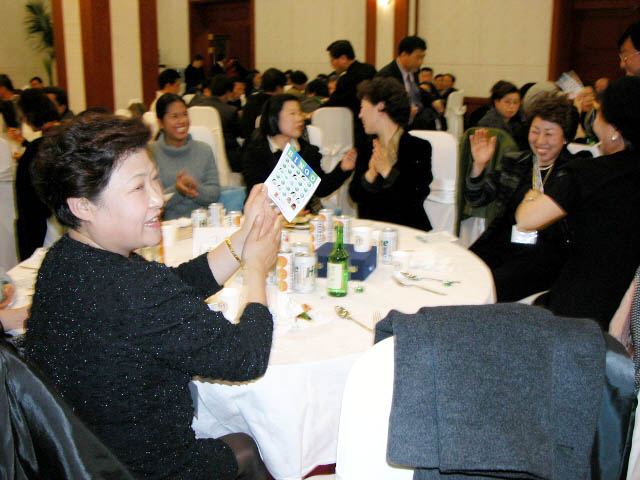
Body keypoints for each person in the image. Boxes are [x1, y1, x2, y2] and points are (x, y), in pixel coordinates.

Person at [25, 112, 281, 479]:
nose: (158, 198)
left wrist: (244, 239)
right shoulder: (133, 288)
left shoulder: (63, 259)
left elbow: (174, 289)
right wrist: (256, 269)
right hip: (141, 467)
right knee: (249, 447)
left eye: (155, 180)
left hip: (82, 455)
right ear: (83, 205)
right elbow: (245, 358)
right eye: (137, 188)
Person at [516, 76, 640, 330]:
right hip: (625, 309)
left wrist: (531, 195)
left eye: (599, 114)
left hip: (579, 309)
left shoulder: (588, 173)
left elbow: (527, 219)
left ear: (614, 130)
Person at [466, 92, 580, 302]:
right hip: (503, 240)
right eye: (535, 132)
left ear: (565, 137)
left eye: (549, 134)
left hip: (542, 253)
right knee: (464, 270)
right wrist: (479, 166)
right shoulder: (516, 162)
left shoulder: (573, 171)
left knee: (490, 286)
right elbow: (477, 199)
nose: (540, 141)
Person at [242, 93, 356, 213]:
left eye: (300, 113)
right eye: (292, 113)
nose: (300, 118)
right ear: (274, 116)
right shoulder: (256, 149)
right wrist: (286, 209)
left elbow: (320, 189)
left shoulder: (307, 150)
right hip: (263, 215)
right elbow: (257, 190)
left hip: (303, 217)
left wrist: (342, 169)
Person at [349, 77, 432, 231]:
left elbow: (415, 197)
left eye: (362, 107)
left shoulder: (418, 147)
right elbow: (355, 196)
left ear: (381, 107)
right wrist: (371, 174)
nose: (360, 115)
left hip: (409, 232)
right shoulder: (366, 147)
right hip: (372, 232)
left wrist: (387, 171)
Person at [150, 93, 220, 220]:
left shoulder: (204, 150)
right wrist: (177, 191)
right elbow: (151, 201)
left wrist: (194, 188)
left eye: (184, 114)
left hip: (202, 224)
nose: (182, 121)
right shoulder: (150, 153)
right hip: (166, 226)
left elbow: (214, 194)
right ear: (160, 123)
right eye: (174, 116)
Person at [15, 89, 60, 260]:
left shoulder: (37, 148)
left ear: (28, 117)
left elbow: (27, 200)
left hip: (45, 224)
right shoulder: (66, 136)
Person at [376, 35, 444, 130]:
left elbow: (417, 90)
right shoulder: (386, 76)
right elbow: (383, 105)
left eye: (423, 57)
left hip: (418, 117)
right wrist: (406, 111)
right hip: (400, 123)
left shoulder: (413, 71)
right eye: (418, 57)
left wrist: (433, 100)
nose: (421, 62)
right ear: (404, 54)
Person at [323, 40, 376, 148]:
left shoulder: (346, 79)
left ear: (343, 58)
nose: (331, 64)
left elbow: (333, 103)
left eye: (332, 60)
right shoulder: (370, 69)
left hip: (357, 129)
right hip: (375, 123)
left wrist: (314, 112)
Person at [189, 75, 243, 172]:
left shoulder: (194, 107)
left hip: (197, 155)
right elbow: (240, 134)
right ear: (228, 92)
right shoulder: (230, 111)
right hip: (226, 159)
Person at [478, 80, 527, 149]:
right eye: (507, 102)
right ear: (496, 102)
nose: (512, 106)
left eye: (515, 102)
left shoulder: (516, 120)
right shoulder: (489, 123)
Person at [240, 68, 286, 139]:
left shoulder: (252, 99)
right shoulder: (278, 103)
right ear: (278, 87)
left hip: (249, 140)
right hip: (269, 141)